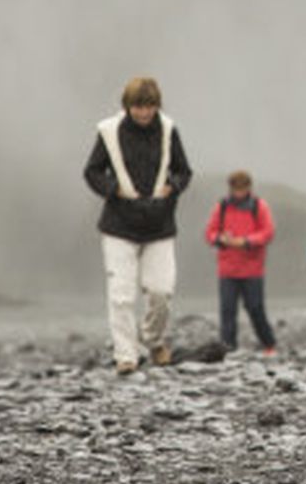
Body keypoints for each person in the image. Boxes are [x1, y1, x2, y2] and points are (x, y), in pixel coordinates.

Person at [83, 76, 193, 375]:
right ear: (128, 106)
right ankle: (126, 355)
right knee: (121, 294)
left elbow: (184, 171)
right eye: (138, 107)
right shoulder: (108, 132)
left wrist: (173, 186)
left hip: (159, 224)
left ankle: (154, 340)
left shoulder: (169, 130)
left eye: (149, 107)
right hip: (119, 224)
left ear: (157, 106)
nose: (144, 113)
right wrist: (113, 189)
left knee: (161, 291)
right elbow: (92, 171)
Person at [205, 170, 278, 355]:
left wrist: (246, 241)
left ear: (249, 188)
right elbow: (210, 233)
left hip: (252, 269)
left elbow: (268, 232)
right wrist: (221, 239)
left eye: (242, 189)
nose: (239, 193)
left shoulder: (259, 206)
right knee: (227, 311)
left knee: (255, 308)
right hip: (227, 269)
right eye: (235, 189)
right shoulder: (221, 207)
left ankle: (269, 344)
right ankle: (228, 347)